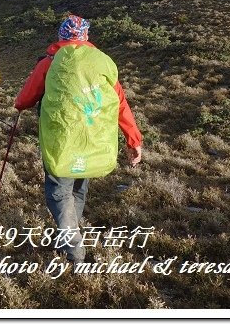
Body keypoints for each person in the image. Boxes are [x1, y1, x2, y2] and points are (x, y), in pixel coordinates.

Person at [14, 15, 143, 264]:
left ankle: (73, 247)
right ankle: (67, 237)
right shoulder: (103, 63)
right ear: (86, 37)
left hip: (62, 141)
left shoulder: (51, 62)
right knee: (77, 190)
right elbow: (120, 103)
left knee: (58, 192)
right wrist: (133, 140)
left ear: (61, 36)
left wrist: (20, 104)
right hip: (92, 140)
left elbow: (25, 99)